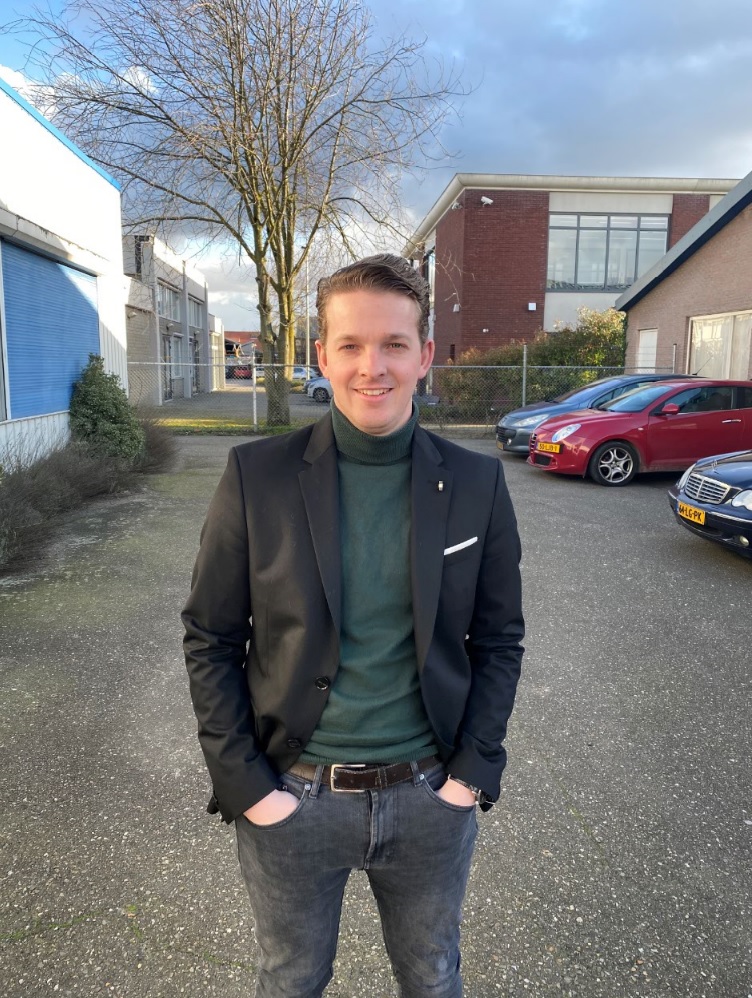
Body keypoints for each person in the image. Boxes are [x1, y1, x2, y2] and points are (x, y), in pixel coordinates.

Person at [182, 253, 524, 998]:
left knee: (433, 976)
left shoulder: (477, 482)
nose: (374, 366)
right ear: (322, 355)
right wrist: (248, 787)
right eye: (352, 345)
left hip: (430, 795)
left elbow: (500, 640)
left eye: (395, 344)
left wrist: (471, 775)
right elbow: (211, 637)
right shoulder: (256, 476)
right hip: (292, 797)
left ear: (424, 356)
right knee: (291, 980)